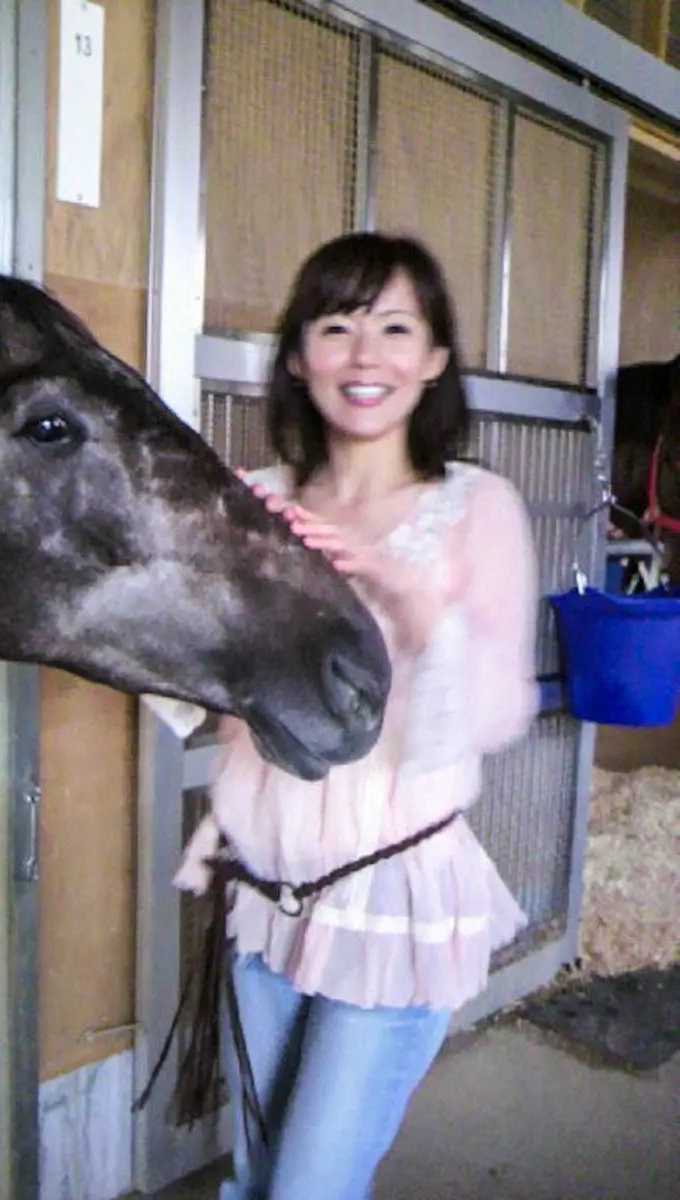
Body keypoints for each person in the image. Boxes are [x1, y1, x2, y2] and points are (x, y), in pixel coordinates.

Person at [144, 231, 539, 1199]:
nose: (366, 357)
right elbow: (186, 693)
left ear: (436, 358)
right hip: (265, 894)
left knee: (308, 1187)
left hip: (392, 900)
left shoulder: (478, 507)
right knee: (257, 1174)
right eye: (336, 327)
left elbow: (495, 709)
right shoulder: (253, 501)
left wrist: (408, 607)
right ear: (295, 357)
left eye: (396, 327)